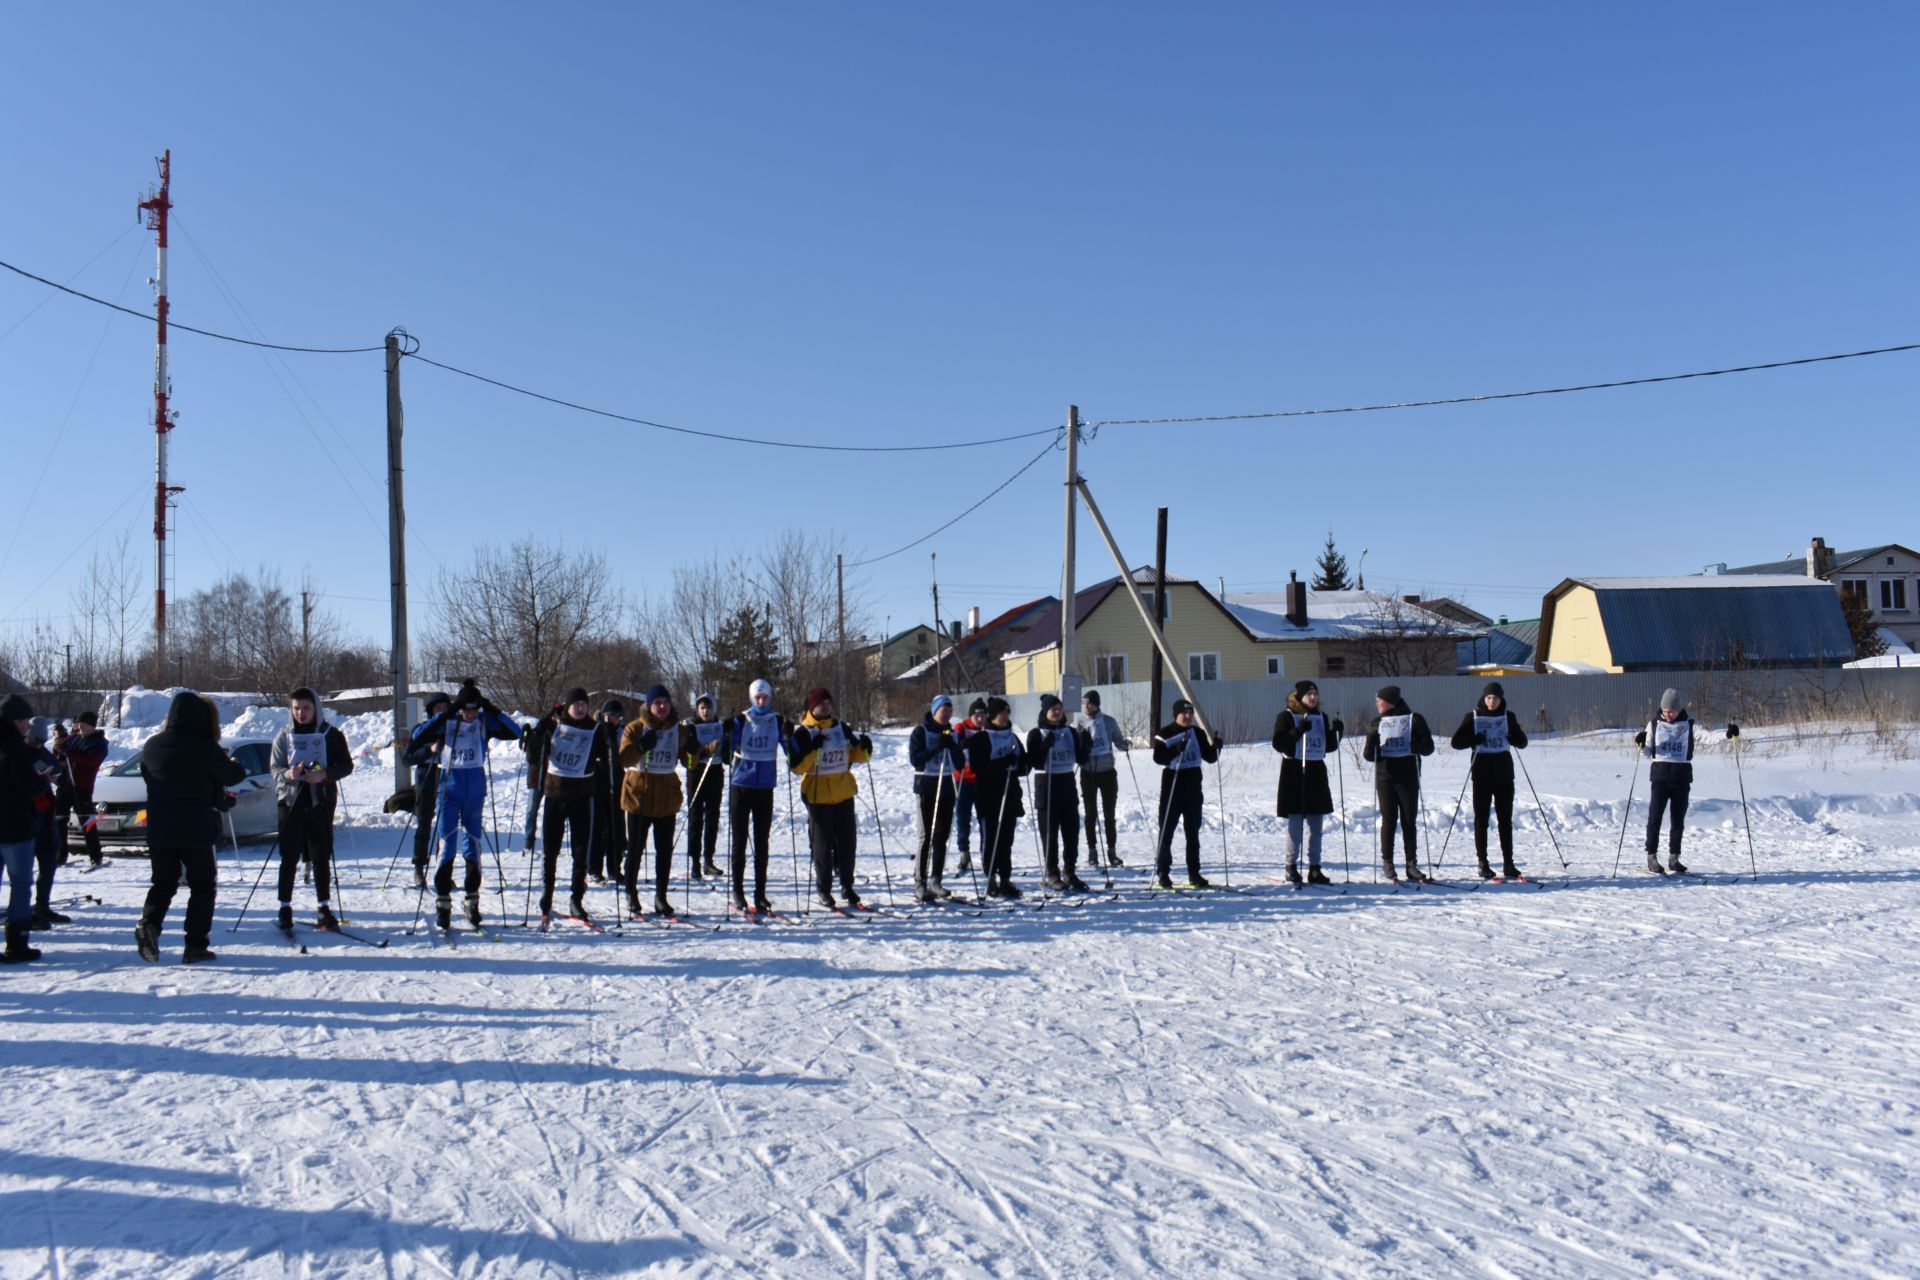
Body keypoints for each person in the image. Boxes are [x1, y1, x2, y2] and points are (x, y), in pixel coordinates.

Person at [135, 692, 248, 964]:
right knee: (202, 887)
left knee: (163, 883)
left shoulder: (151, 746)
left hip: (160, 829)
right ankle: (195, 945)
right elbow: (233, 775)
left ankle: (149, 924)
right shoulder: (204, 747)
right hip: (196, 829)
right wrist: (229, 766)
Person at [416, 680, 521, 929]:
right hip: (449, 790)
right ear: (459, 707)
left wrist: (491, 708)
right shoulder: (449, 721)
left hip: (474, 791)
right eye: (466, 710)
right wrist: (445, 716)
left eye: (475, 709)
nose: (470, 714)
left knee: (473, 845)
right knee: (447, 845)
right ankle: (443, 903)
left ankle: (472, 901)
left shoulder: (484, 722)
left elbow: (515, 731)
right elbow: (418, 736)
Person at [269, 687, 356, 930]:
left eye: (306, 708)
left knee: (321, 856)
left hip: (320, 802)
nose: (301, 713)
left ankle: (323, 907)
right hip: (290, 803)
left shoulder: (331, 734)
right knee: (289, 856)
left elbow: (347, 765)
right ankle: (285, 907)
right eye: (296, 708)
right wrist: (289, 773)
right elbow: (275, 769)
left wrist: (325, 775)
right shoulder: (283, 736)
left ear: (315, 708)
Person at [525, 687, 609, 925]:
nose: (580, 708)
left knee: (581, 851)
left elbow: (606, 756)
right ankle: (547, 896)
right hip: (555, 795)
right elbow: (533, 756)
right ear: (568, 706)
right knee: (550, 850)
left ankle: (576, 899)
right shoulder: (555, 726)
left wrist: (608, 745)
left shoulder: (594, 729)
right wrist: (537, 733)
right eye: (576, 704)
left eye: (584, 704)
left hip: (582, 795)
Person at [1634, 688, 1737, 876]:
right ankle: (1651, 857)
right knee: (1655, 818)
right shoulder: (1654, 725)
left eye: (1671, 711)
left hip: (1681, 778)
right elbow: (1649, 751)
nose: (1668, 714)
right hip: (1660, 777)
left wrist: (1727, 735)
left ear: (1679, 709)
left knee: (1677, 820)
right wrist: (1641, 744)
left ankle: (1674, 857)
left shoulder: (1689, 725)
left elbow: (1709, 737)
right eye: (1665, 711)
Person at [789, 687, 873, 909]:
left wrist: (865, 749)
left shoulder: (840, 727)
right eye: (820, 703)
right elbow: (796, 767)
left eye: (828, 702)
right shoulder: (804, 732)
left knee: (847, 843)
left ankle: (847, 885)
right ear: (811, 707)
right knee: (822, 847)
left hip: (844, 791)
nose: (825, 706)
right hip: (817, 795)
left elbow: (857, 755)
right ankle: (824, 889)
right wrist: (811, 751)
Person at [618, 684, 692, 917]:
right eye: (657, 703)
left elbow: (689, 762)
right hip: (639, 794)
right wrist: (641, 746)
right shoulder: (635, 728)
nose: (662, 707)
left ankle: (661, 896)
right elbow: (624, 759)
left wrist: (694, 749)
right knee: (636, 849)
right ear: (649, 706)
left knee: (664, 851)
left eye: (665, 703)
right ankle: (631, 892)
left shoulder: (678, 730)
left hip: (665, 797)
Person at [1449, 681, 1530, 880]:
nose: (1491, 701)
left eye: (1495, 698)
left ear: (1501, 699)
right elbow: (1455, 742)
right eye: (1488, 698)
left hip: (1503, 774)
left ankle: (1508, 863)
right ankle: (1483, 862)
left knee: (1505, 821)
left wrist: (1513, 735)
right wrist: (1472, 740)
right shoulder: (1474, 717)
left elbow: (1523, 742)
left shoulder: (1508, 717)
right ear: (1483, 699)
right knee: (1481, 820)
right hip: (1482, 775)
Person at [1271, 680, 1343, 885]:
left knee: (1316, 823)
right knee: (1296, 823)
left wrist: (1337, 732)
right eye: (1309, 694)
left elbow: (1328, 746)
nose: (1313, 697)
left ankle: (1315, 867)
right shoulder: (1286, 716)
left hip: (1316, 771)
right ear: (1300, 697)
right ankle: (1291, 865)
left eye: (1315, 694)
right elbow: (1279, 743)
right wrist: (1298, 730)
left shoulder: (1321, 716)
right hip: (1294, 771)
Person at [1362, 685, 1435, 883]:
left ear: (1391, 701)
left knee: (1409, 820)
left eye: (1380, 700)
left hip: (1409, 777)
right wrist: (1373, 739)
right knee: (1389, 820)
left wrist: (1415, 745)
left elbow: (1429, 748)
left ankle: (1411, 864)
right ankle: (1388, 863)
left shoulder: (1414, 720)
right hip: (1385, 777)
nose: (1377, 703)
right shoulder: (1376, 723)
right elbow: (1369, 756)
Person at [725, 679, 787, 913]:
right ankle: (738, 891)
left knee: (762, 841)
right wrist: (727, 732)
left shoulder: (776, 720)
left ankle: (760, 893)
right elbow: (726, 749)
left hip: (765, 787)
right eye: (757, 698)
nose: (761, 701)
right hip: (741, 785)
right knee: (739, 840)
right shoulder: (742, 719)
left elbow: (791, 750)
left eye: (765, 698)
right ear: (751, 698)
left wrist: (791, 739)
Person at [1151, 699, 1222, 889]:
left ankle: (1194, 873)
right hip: (1172, 788)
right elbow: (1158, 758)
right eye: (1185, 713)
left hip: (1193, 789)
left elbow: (1210, 757)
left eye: (1191, 713)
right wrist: (1175, 749)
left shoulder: (1198, 733)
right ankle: (1163, 872)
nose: (1188, 717)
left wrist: (1216, 746)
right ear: (1176, 715)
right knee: (1166, 832)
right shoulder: (1165, 733)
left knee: (1193, 833)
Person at [1026, 693, 1091, 891]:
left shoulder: (1069, 732)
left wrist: (1085, 743)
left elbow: (1081, 759)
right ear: (1045, 711)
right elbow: (1034, 762)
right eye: (1053, 709)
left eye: (1059, 708)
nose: (1057, 712)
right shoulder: (1037, 733)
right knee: (1050, 834)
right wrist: (1045, 746)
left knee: (1071, 833)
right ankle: (1051, 872)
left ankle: (1069, 870)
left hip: (1066, 783)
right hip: (1046, 784)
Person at [0, 694, 48, 963]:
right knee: (20, 883)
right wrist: (41, 780)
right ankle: (16, 943)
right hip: (14, 826)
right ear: (15, 721)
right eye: (25, 721)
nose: (28, 726)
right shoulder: (15, 748)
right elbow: (28, 787)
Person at [965, 696, 1028, 898]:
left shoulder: (1012, 737)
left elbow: (1023, 767)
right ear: (992, 715)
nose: (1005, 716)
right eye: (1002, 713)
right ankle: (990, 876)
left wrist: (1025, 761)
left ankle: (1005, 878)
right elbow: (979, 767)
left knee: (1006, 839)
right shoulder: (981, 739)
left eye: (1007, 713)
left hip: (1009, 794)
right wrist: (1003, 762)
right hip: (988, 795)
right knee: (991, 837)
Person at [907, 694, 966, 902]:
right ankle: (920, 881)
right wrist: (937, 747)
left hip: (947, 787)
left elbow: (960, 764)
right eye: (943, 710)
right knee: (926, 837)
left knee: (941, 836)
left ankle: (936, 879)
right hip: (926, 786)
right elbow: (916, 760)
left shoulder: (952, 733)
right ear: (934, 711)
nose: (946, 713)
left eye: (949, 710)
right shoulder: (920, 732)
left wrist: (952, 746)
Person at [402, 691, 452, 888]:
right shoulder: (421, 730)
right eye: (437, 708)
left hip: (448, 778)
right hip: (426, 779)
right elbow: (408, 758)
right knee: (424, 824)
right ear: (431, 710)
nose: (441, 712)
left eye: (445, 708)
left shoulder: (453, 728)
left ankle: (443, 869)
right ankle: (419, 868)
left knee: (446, 826)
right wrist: (429, 751)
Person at [1076, 689, 1130, 868]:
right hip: (1088, 772)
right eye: (1084, 703)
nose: (1086, 706)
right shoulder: (1080, 723)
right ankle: (1092, 852)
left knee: (1109, 814)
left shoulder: (1108, 721)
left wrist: (1124, 745)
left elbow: (1118, 741)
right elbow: (1078, 749)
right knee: (1090, 814)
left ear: (1096, 704)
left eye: (1089, 703)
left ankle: (1112, 852)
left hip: (1107, 771)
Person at [55, 711, 110, 871]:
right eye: (78, 724)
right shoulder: (74, 738)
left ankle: (95, 855)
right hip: (65, 785)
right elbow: (61, 757)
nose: (79, 727)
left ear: (91, 724)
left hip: (82, 788)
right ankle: (61, 854)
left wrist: (69, 752)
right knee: (60, 820)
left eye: (83, 724)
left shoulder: (99, 742)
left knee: (87, 822)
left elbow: (89, 761)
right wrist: (59, 749)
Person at [684, 693, 728, 879]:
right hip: (696, 775)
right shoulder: (691, 727)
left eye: (709, 708)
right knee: (696, 819)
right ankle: (695, 861)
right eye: (702, 708)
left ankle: (708, 859)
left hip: (715, 774)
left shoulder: (719, 726)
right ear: (697, 710)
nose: (706, 711)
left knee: (712, 818)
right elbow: (688, 755)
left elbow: (727, 756)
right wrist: (707, 748)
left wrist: (726, 741)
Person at [25, 719, 63, 930]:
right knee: (23, 870)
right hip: (27, 817)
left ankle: (42, 905)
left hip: (46, 813)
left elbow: (54, 768)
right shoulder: (18, 752)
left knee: (48, 860)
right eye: (35, 742)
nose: (38, 745)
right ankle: (22, 910)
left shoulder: (40, 752)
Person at [591, 698, 626, 884]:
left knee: (616, 829)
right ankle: (595, 868)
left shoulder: (621, 732)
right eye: (611, 716)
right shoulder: (597, 730)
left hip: (616, 784)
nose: (614, 720)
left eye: (617, 717)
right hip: (598, 784)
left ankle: (614, 868)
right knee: (598, 828)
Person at [950, 698, 987, 874]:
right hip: (963, 778)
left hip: (982, 779)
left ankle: (985, 852)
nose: (980, 719)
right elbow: (954, 742)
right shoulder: (961, 728)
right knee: (963, 817)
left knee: (984, 818)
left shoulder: (987, 730)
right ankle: (964, 851)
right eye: (977, 715)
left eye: (983, 715)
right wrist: (961, 744)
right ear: (971, 715)